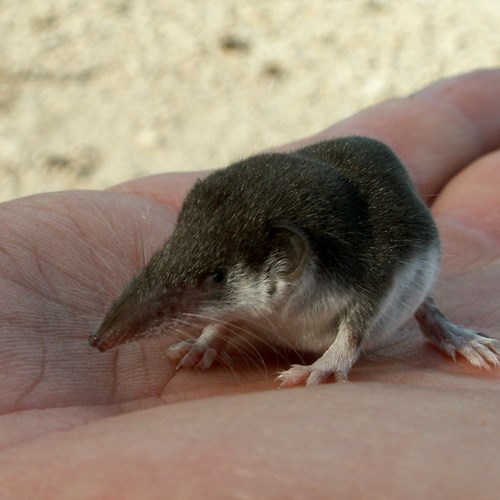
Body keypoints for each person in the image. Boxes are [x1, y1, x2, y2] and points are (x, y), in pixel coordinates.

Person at [1, 68, 499, 496]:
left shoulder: (358, 261)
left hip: (373, 240)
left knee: (398, 274)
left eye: (216, 278)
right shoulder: (252, 257)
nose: (112, 337)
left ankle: (437, 322)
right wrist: (212, 334)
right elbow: (221, 290)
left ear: (286, 263)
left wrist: (339, 354)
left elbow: (368, 287)